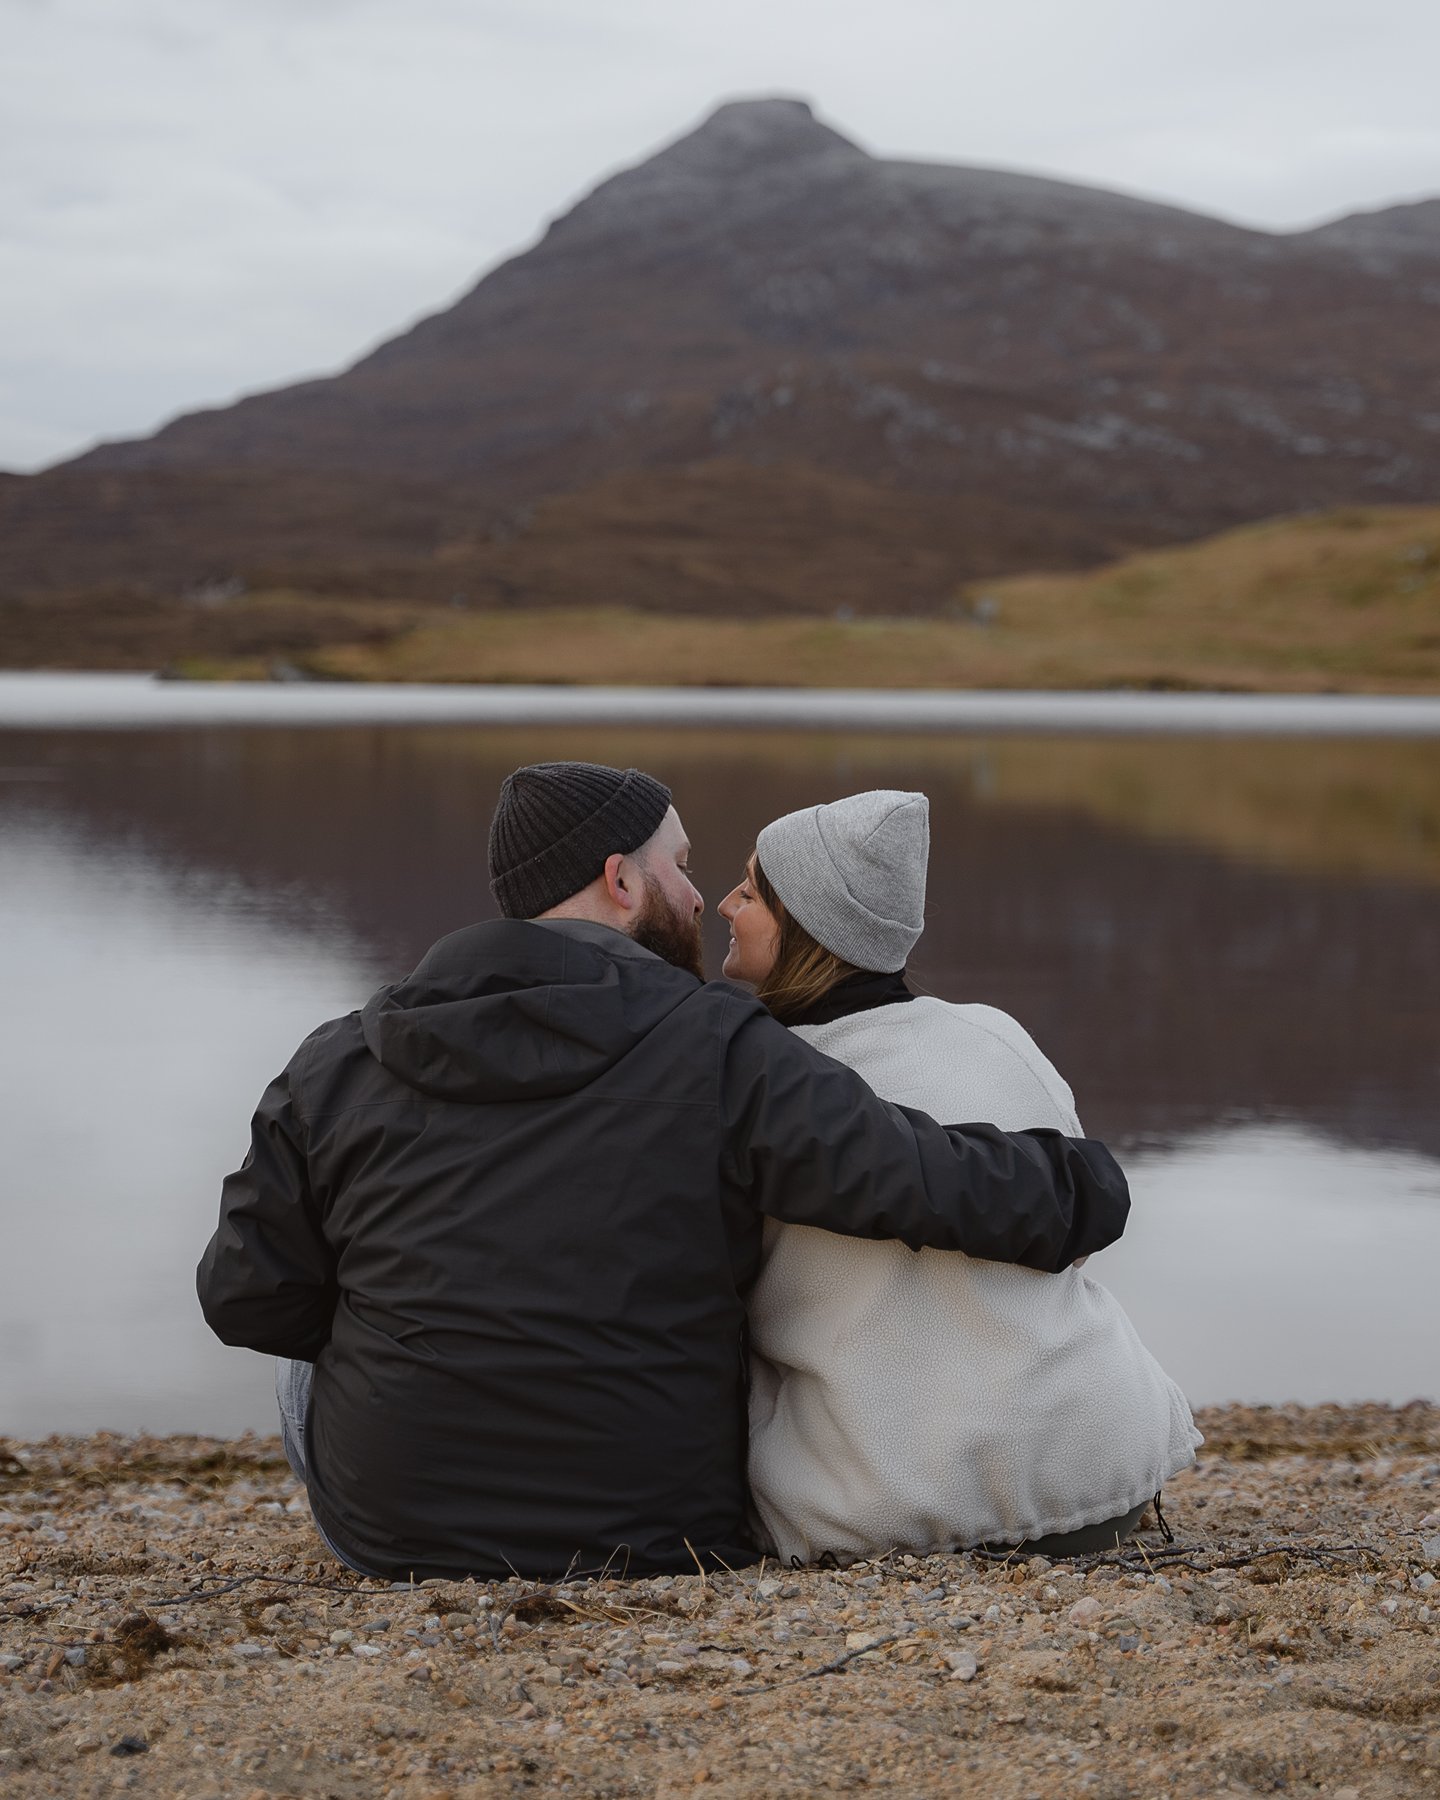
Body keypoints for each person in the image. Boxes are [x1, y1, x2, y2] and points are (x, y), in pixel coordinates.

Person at [197, 761, 1133, 1582]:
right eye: (681, 866)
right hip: (653, 1534)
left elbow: (247, 1300)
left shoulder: (336, 1059)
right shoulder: (720, 1045)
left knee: (310, 1338)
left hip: (393, 1532)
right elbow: (916, 1177)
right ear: (618, 879)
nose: (699, 899)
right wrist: (1085, 1181)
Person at [721, 789, 1200, 1563]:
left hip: (884, 1507)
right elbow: (1074, 1246)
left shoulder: (766, 1085)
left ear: (807, 923)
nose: (725, 903)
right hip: (1103, 1477)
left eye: (750, 890)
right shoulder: (996, 1036)